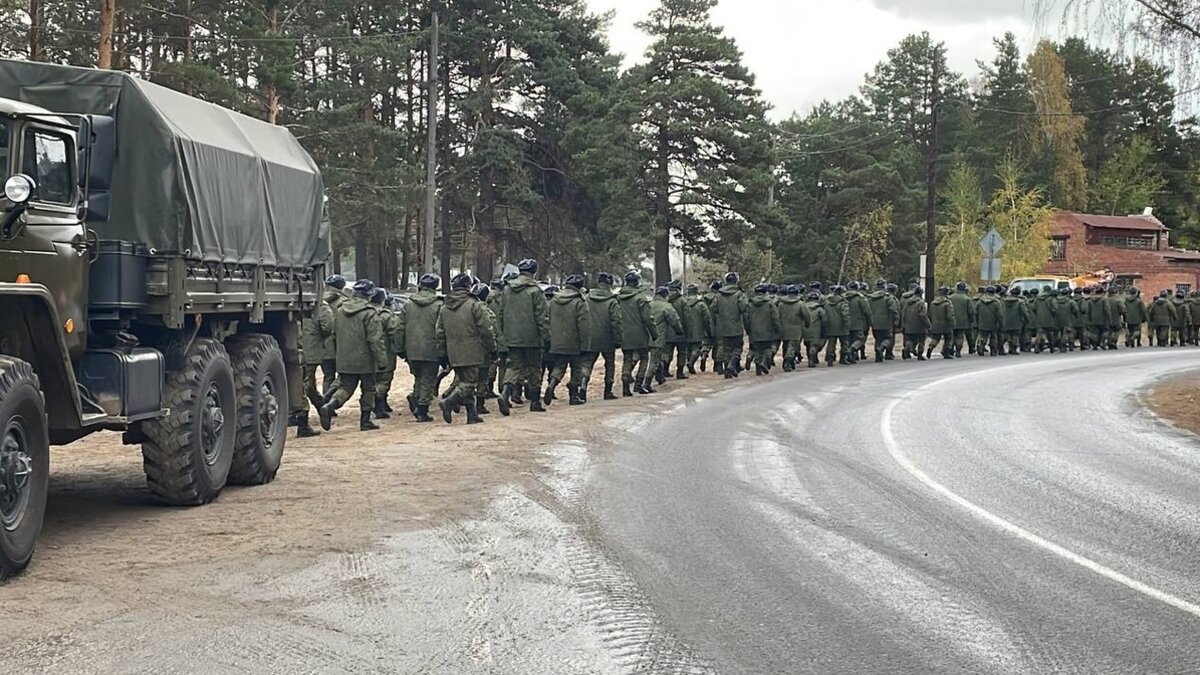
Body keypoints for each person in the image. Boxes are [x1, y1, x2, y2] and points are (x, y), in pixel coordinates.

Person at [319, 280, 388, 432]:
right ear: (368, 295)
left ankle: (330, 405)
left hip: (345, 357)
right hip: (365, 359)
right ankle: (365, 421)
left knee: (346, 387)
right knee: (368, 389)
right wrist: (382, 361)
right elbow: (375, 339)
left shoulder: (341, 310)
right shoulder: (369, 313)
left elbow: (334, 334)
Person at [436, 274, 496, 425]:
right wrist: (492, 348)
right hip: (472, 350)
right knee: (470, 383)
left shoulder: (445, 307)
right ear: (468, 286)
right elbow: (486, 329)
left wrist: (443, 353)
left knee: (463, 380)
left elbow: (440, 332)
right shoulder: (474, 305)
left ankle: (472, 414)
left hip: (453, 352)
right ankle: (449, 402)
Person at [497, 259, 550, 414]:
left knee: (513, 367)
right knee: (534, 368)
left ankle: (505, 393)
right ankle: (534, 402)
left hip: (512, 336)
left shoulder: (507, 289)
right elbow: (542, 317)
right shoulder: (535, 291)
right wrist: (546, 337)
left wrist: (503, 333)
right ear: (534, 272)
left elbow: (501, 313)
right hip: (532, 338)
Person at [545, 275, 591, 406]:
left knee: (559, 366)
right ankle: (574, 395)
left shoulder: (554, 300)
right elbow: (584, 325)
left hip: (557, 341)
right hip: (574, 342)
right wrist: (585, 345)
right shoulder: (580, 302)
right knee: (576, 368)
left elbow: (548, 320)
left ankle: (552, 384)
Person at [297, 279, 335, 437]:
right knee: (306, 385)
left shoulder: (291, 302)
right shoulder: (320, 305)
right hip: (311, 352)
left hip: (293, 349)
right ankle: (315, 411)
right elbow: (327, 327)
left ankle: (308, 416)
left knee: (304, 385)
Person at [617, 271, 658, 395]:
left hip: (624, 334)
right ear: (637, 283)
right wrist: (654, 333)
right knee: (644, 358)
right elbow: (648, 318)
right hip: (639, 334)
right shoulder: (640, 298)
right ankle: (638, 385)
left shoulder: (618, 298)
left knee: (627, 359)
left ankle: (625, 386)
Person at [584, 272, 622, 401]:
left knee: (588, 363)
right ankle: (607, 391)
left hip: (590, 337)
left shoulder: (587, 298)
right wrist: (618, 340)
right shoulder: (612, 301)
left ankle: (582, 388)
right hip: (608, 338)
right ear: (610, 284)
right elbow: (616, 322)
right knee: (610, 364)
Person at [369, 289, 401, 419]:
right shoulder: (386, 315)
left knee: (373, 380)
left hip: (369, 353)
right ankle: (378, 404)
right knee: (384, 380)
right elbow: (395, 333)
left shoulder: (366, 312)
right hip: (385, 351)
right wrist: (399, 348)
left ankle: (382, 403)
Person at [711, 272, 749, 378]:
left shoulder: (718, 294)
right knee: (737, 348)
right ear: (736, 281)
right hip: (736, 326)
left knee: (726, 349)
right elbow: (743, 307)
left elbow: (713, 308)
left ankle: (728, 369)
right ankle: (732, 365)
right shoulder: (739, 294)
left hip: (723, 327)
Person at [648, 286, 683, 390]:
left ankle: (660, 377)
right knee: (654, 361)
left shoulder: (649, 304)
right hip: (659, 337)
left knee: (652, 359)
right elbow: (674, 320)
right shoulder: (666, 306)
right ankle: (646, 383)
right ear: (665, 295)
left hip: (646, 337)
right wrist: (679, 331)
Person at [320, 275, 349, 399]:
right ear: (342, 286)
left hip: (323, 347)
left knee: (328, 376)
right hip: (340, 346)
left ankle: (324, 401)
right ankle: (332, 399)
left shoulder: (319, 301)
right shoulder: (345, 303)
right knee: (344, 377)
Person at [746, 283, 782, 375]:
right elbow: (775, 318)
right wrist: (778, 329)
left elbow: (746, 318)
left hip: (754, 331)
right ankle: (764, 362)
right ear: (765, 292)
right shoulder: (770, 303)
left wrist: (748, 329)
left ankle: (758, 367)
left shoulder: (750, 303)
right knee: (767, 348)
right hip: (767, 330)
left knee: (757, 349)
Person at [681, 284, 713, 376]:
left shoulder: (683, 303)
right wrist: (708, 330)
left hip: (685, 329)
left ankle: (688, 362)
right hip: (698, 329)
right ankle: (691, 362)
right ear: (696, 291)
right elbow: (707, 318)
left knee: (688, 348)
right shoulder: (701, 304)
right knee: (697, 348)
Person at [778, 284, 811, 371]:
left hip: (783, 328)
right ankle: (788, 362)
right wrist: (807, 324)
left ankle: (788, 361)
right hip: (796, 329)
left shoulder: (781, 304)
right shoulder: (800, 304)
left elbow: (777, 316)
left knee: (785, 345)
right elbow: (807, 316)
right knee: (792, 346)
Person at [485, 276, 509, 398]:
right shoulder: (503, 300)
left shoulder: (485, 299)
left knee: (491, 363)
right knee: (503, 364)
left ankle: (487, 387)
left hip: (488, 335)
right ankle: (502, 388)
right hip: (502, 335)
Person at [867, 280, 898, 363]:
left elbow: (867, 310)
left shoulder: (870, 298)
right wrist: (896, 320)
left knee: (878, 339)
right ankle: (881, 348)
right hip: (886, 323)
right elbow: (893, 310)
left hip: (874, 323)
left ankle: (878, 356)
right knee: (888, 338)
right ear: (885, 287)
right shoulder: (888, 298)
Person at [665, 281, 690, 380]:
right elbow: (688, 318)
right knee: (682, 352)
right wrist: (688, 331)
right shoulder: (683, 301)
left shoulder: (665, 300)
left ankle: (664, 371)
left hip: (667, 332)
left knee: (667, 352)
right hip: (680, 331)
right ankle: (679, 372)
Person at [823, 285, 851, 366]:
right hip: (841, 326)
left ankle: (830, 358)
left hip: (830, 326)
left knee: (831, 343)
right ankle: (843, 358)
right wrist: (847, 325)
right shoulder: (843, 303)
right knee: (844, 343)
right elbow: (845, 315)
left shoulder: (827, 303)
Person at [926, 287, 956, 359]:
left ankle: (931, 346)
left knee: (936, 338)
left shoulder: (933, 303)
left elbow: (929, 314)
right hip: (945, 324)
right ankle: (946, 353)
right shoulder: (947, 303)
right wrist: (953, 323)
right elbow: (950, 315)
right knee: (948, 338)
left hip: (935, 323)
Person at [845, 281, 871, 364]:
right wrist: (870, 322)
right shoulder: (860, 298)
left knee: (849, 339)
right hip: (858, 323)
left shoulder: (843, 297)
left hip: (846, 323)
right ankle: (852, 350)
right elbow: (867, 311)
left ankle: (851, 356)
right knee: (860, 339)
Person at [902, 287, 931, 361]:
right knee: (921, 339)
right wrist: (928, 324)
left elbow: (903, 313)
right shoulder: (921, 303)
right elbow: (923, 315)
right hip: (919, 325)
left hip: (909, 324)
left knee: (911, 339)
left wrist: (904, 324)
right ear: (921, 294)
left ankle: (907, 347)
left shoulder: (908, 302)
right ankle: (920, 354)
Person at [699, 280, 721, 372]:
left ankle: (704, 355)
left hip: (706, 323)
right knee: (717, 344)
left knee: (706, 342)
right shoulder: (719, 298)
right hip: (717, 323)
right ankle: (716, 365)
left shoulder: (704, 298)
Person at [976, 286, 1004, 357]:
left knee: (982, 335)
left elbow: (975, 312)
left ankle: (980, 344)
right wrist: (1001, 324)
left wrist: (977, 320)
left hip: (982, 321)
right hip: (993, 322)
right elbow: (1000, 315)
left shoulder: (980, 301)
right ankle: (993, 350)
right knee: (993, 336)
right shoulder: (996, 302)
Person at [949, 282, 974, 358]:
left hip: (951, 320)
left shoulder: (950, 297)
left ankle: (950, 349)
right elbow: (971, 311)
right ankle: (958, 351)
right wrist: (971, 320)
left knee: (952, 336)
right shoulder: (967, 299)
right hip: (963, 321)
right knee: (960, 336)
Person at [803, 291, 826, 368]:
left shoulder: (804, 307)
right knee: (814, 345)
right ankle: (812, 359)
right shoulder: (819, 309)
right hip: (816, 330)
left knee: (808, 345)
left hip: (805, 329)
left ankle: (811, 358)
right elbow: (824, 320)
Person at [1002, 286, 1027, 355]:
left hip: (1006, 320)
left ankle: (1000, 348)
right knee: (1015, 336)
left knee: (1006, 335)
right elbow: (1024, 312)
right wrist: (1027, 320)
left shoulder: (1003, 301)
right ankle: (1013, 349)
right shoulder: (1020, 302)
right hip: (1017, 321)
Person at [1055, 287, 1078, 352]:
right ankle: (1066, 345)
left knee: (1059, 333)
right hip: (1068, 319)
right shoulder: (1070, 301)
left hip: (1057, 319)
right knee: (1067, 333)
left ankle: (1059, 344)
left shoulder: (1055, 300)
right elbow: (1076, 310)